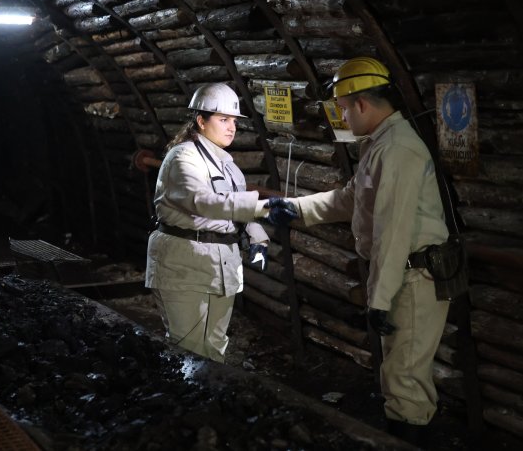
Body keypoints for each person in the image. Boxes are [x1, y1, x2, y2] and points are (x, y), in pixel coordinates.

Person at [286, 57, 450, 445]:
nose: (342, 117)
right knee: (401, 373)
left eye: (342, 109)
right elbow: (351, 198)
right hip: (402, 276)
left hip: (412, 278)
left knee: (404, 378)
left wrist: (378, 300)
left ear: (361, 103)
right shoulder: (381, 144)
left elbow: (393, 231)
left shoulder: (397, 150)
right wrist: (295, 208)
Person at [145, 83, 298, 362]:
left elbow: (236, 203)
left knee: (215, 346)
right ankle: (187, 403)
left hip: (221, 264)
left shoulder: (227, 164)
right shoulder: (183, 158)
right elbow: (201, 201)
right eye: (223, 119)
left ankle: (211, 401)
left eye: (234, 122)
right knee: (187, 347)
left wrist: (258, 238)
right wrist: (260, 206)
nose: (232, 127)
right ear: (201, 121)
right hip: (184, 264)